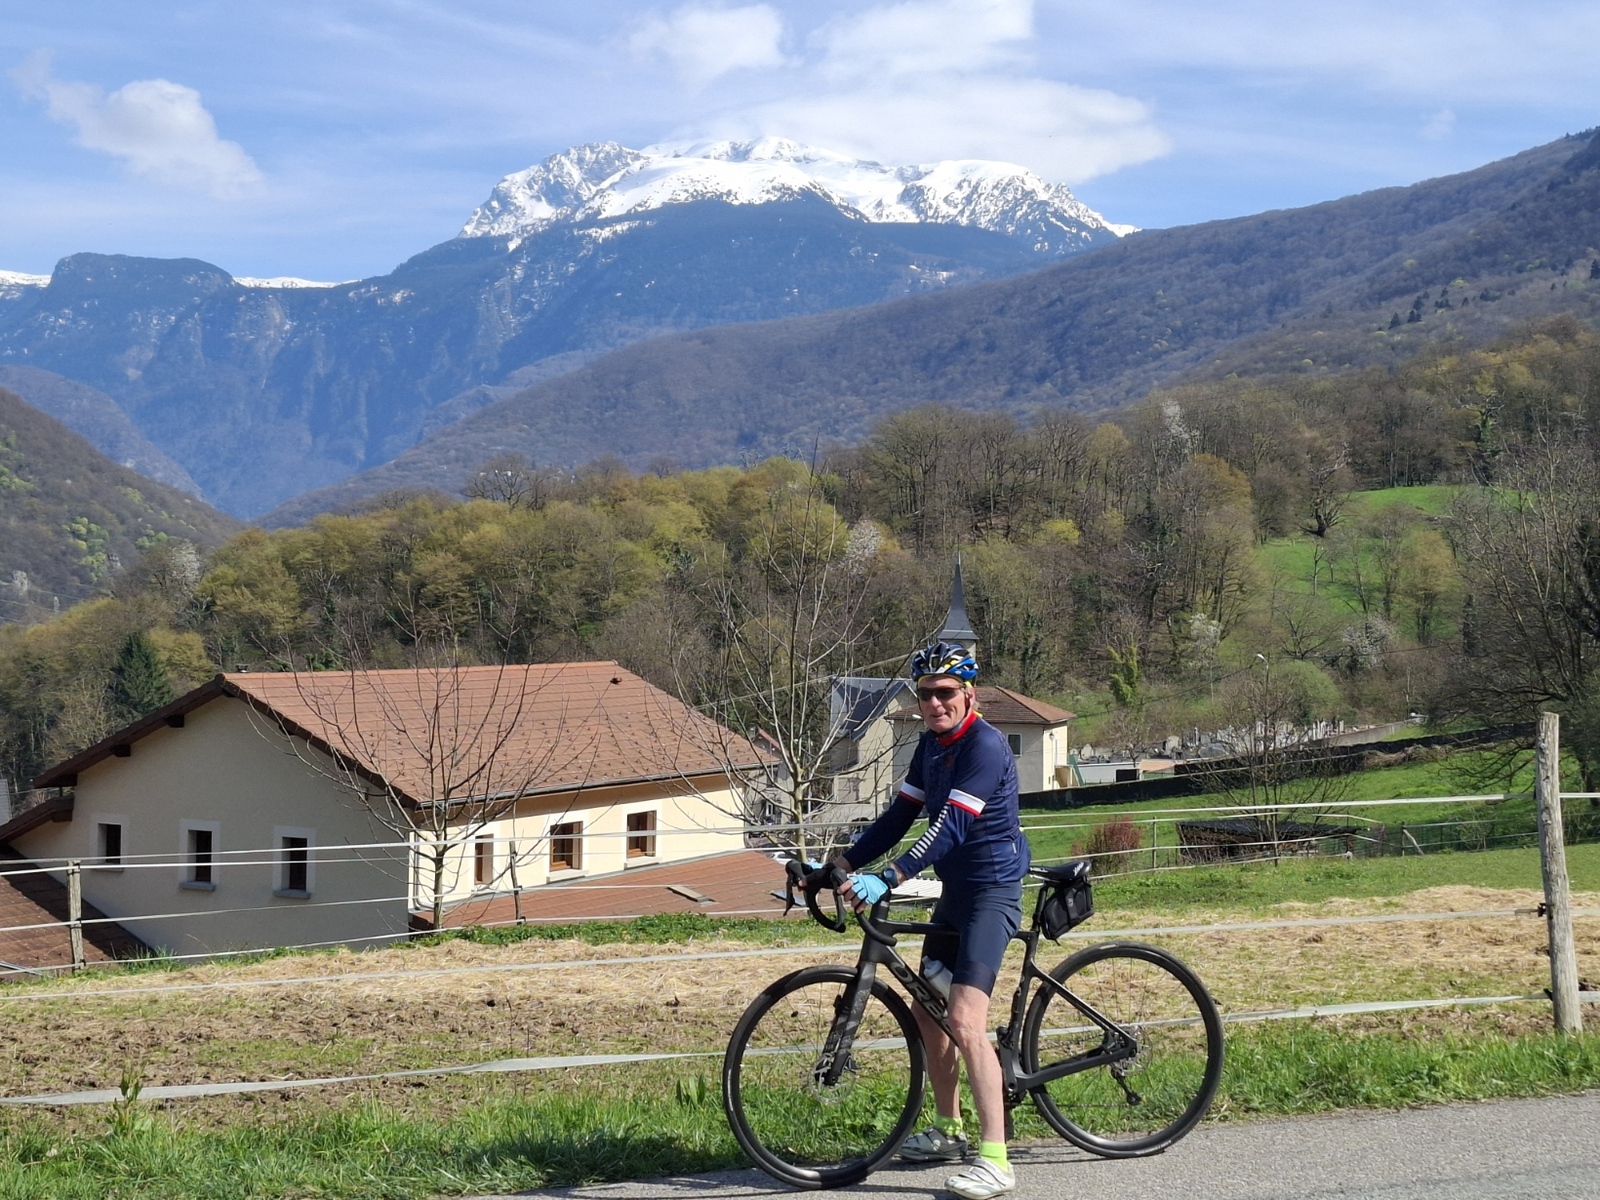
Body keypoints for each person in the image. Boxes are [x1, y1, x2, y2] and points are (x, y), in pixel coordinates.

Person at [833, 640, 1030, 1200]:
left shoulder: (985, 746)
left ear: (969, 694)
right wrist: (841, 863)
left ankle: (996, 1160)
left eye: (945, 692)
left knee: (965, 1019)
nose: (935, 703)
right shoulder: (930, 746)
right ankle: (948, 1129)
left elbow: (950, 828)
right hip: (955, 893)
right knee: (927, 1010)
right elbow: (900, 815)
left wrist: (888, 876)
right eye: (925, 694)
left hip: (992, 892)